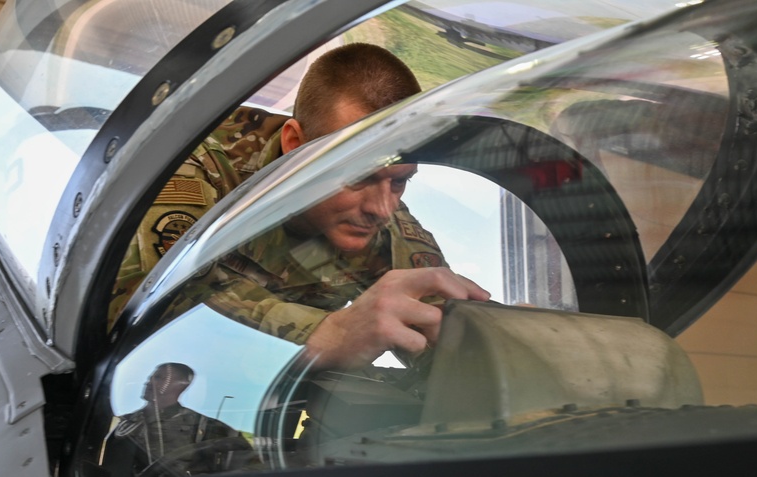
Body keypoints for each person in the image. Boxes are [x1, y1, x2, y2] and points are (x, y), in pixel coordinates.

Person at [118, 43, 490, 368]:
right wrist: (330, 334)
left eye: (400, 181)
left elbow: (442, 331)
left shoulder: (378, 216)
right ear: (295, 144)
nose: (382, 209)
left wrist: (495, 337)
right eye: (357, 175)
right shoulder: (197, 166)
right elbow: (150, 312)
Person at [105, 362, 252, 477]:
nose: (148, 382)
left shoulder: (203, 426)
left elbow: (242, 463)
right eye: (150, 377)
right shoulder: (125, 425)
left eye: (158, 377)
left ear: (180, 386)